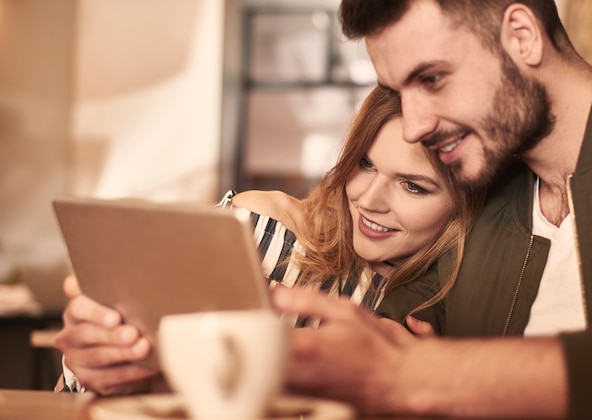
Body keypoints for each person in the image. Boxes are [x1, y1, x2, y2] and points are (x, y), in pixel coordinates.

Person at [268, 0, 592, 418]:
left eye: (432, 79)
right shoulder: (474, 196)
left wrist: (426, 373)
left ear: (522, 37)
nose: (415, 125)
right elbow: (400, 322)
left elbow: (409, 369)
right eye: (401, 92)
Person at [54, 86, 484, 395]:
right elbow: (85, 379)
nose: (369, 200)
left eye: (412, 186)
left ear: (463, 204)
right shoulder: (261, 227)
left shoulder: (437, 307)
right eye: (365, 165)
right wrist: (99, 350)